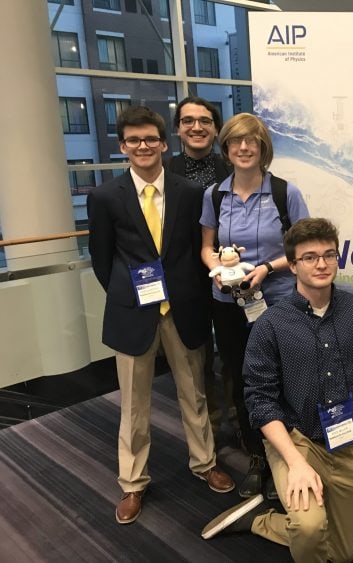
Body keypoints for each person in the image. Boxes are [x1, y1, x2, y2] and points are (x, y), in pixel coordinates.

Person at [201, 218, 353, 563]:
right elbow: (259, 399)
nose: (321, 264)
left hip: (349, 439)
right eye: (310, 257)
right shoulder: (271, 323)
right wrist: (296, 462)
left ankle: (264, 521)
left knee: (343, 554)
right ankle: (293, 520)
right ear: (294, 265)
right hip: (296, 438)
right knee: (311, 529)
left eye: (329, 255)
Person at [87, 105, 235, 525]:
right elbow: (101, 259)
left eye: (150, 139)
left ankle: (205, 463)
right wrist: (127, 295)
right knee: (134, 404)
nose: (143, 146)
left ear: (163, 143)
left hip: (183, 309)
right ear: (122, 147)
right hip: (133, 313)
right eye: (133, 140)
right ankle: (133, 483)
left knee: (195, 393)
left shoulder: (190, 193)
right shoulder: (104, 196)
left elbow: (195, 250)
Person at [200, 112, 309, 498]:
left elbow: (303, 249)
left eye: (252, 142)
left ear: (263, 148)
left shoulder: (285, 192)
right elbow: (206, 248)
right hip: (229, 302)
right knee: (243, 377)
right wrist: (218, 269)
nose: (244, 148)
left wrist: (266, 266)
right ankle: (258, 455)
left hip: (277, 300)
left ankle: (290, 452)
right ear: (226, 148)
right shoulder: (214, 194)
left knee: (282, 376)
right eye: (235, 142)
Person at [168, 96, 234, 438]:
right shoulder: (165, 174)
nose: (197, 127)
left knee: (236, 352)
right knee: (197, 357)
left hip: (230, 278)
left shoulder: (234, 169)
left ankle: (242, 421)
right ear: (178, 129)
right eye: (188, 120)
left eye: (205, 121)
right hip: (186, 282)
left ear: (216, 128)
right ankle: (209, 428)